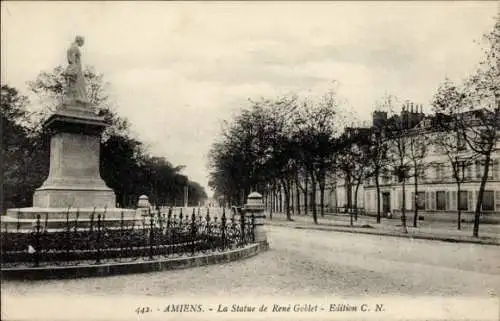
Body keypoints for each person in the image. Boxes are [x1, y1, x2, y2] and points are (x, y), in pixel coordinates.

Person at [64, 36, 89, 104]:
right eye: (83, 42)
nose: (82, 44)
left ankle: (78, 98)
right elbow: (71, 60)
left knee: (76, 86)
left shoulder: (71, 47)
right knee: (78, 85)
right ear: (80, 41)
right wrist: (74, 68)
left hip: (75, 68)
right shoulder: (75, 48)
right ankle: (79, 99)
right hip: (76, 69)